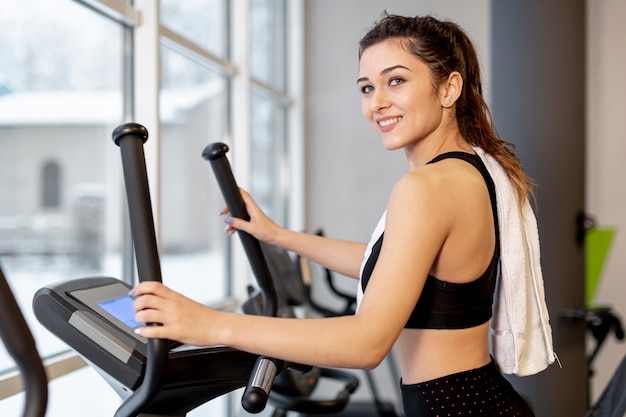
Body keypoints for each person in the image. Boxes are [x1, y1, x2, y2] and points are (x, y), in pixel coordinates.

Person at [131, 13, 552, 416]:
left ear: (448, 89)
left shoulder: (428, 187)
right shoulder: (467, 171)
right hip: (475, 398)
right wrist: (279, 235)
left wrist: (206, 324)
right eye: (367, 88)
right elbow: (395, 265)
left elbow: (365, 344)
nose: (378, 103)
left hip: (456, 407)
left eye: (397, 81)